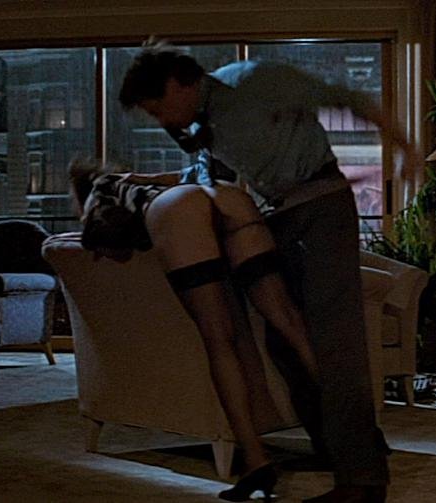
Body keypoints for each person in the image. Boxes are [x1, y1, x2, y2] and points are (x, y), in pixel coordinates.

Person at [118, 43, 402, 503]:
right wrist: (148, 182)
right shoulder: (205, 123)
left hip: (320, 208)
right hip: (279, 217)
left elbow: (346, 97)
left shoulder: (253, 81)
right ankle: (338, 448)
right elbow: (208, 176)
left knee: (333, 340)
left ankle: (363, 480)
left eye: (157, 109)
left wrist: (405, 147)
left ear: (176, 85)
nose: (160, 120)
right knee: (285, 342)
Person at [70, 160, 321, 502]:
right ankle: (352, 433)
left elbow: (105, 238)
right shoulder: (140, 179)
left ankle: (256, 461)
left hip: (178, 213)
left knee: (220, 340)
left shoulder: (102, 189)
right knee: (291, 322)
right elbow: (186, 175)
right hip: (225, 195)